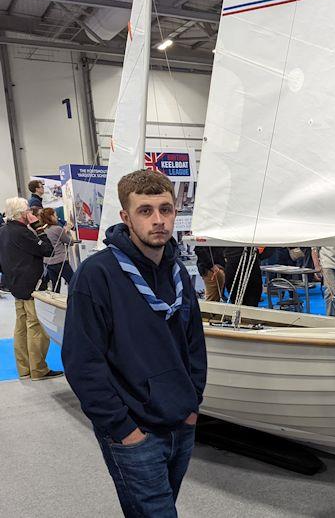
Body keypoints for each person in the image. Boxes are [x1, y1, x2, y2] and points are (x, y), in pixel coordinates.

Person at [62, 170, 207, 517]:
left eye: (165, 209)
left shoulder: (178, 273)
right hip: (133, 432)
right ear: (126, 218)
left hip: (180, 423)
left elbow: (194, 345)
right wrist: (123, 430)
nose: (158, 220)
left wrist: (192, 406)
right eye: (145, 211)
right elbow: (82, 362)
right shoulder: (97, 275)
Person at [0, 197, 61, 380]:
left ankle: (24, 368)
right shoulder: (23, 233)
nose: (31, 214)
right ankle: (38, 369)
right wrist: (38, 229)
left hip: (15, 284)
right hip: (31, 286)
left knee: (21, 327)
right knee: (36, 327)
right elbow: (48, 250)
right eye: (28, 211)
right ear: (21, 213)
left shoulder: (2, 231)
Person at [39, 208, 75, 292]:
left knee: (55, 286)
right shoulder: (57, 229)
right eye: (55, 215)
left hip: (49, 262)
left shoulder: (42, 230)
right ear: (51, 217)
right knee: (73, 281)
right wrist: (68, 231)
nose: (57, 217)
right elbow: (70, 242)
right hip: (60, 261)